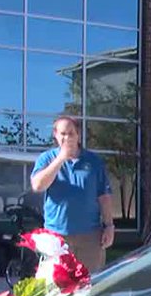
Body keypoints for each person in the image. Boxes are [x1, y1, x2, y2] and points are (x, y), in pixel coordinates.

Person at [29, 116, 113, 273]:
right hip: (57, 236)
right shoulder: (46, 159)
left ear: (78, 135)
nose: (66, 138)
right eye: (62, 133)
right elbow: (38, 185)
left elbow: (104, 196)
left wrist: (109, 226)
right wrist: (60, 159)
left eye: (70, 133)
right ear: (55, 135)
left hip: (90, 236)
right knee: (56, 287)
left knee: (89, 284)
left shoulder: (93, 161)